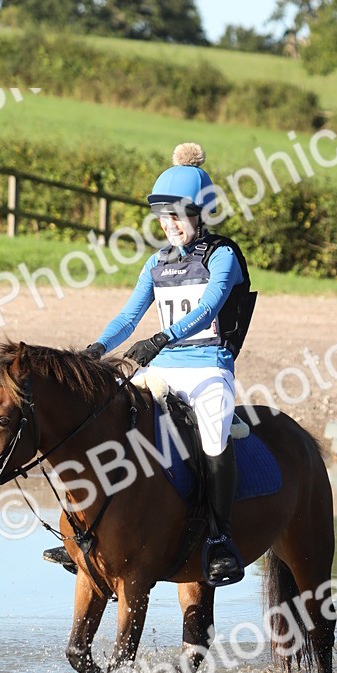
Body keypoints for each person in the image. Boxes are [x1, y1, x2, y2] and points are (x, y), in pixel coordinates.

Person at [48, 142, 254, 587]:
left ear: (201, 214)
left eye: (177, 215)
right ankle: (84, 529)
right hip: (161, 368)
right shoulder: (156, 263)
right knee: (107, 416)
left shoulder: (223, 256)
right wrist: (95, 349)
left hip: (207, 367)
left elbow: (209, 308)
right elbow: (128, 317)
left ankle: (221, 539)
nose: (169, 225)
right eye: (164, 217)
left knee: (215, 433)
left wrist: (162, 337)